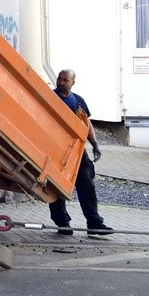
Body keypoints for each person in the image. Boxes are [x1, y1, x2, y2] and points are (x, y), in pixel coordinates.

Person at [48, 69, 113, 237]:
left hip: (77, 151)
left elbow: (86, 123)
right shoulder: (50, 97)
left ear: (72, 83)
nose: (61, 83)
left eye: (65, 80)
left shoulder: (77, 101)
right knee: (56, 187)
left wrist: (95, 144)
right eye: (59, 79)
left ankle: (94, 223)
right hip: (54, 149)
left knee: (87, 184)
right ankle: (62, 223)